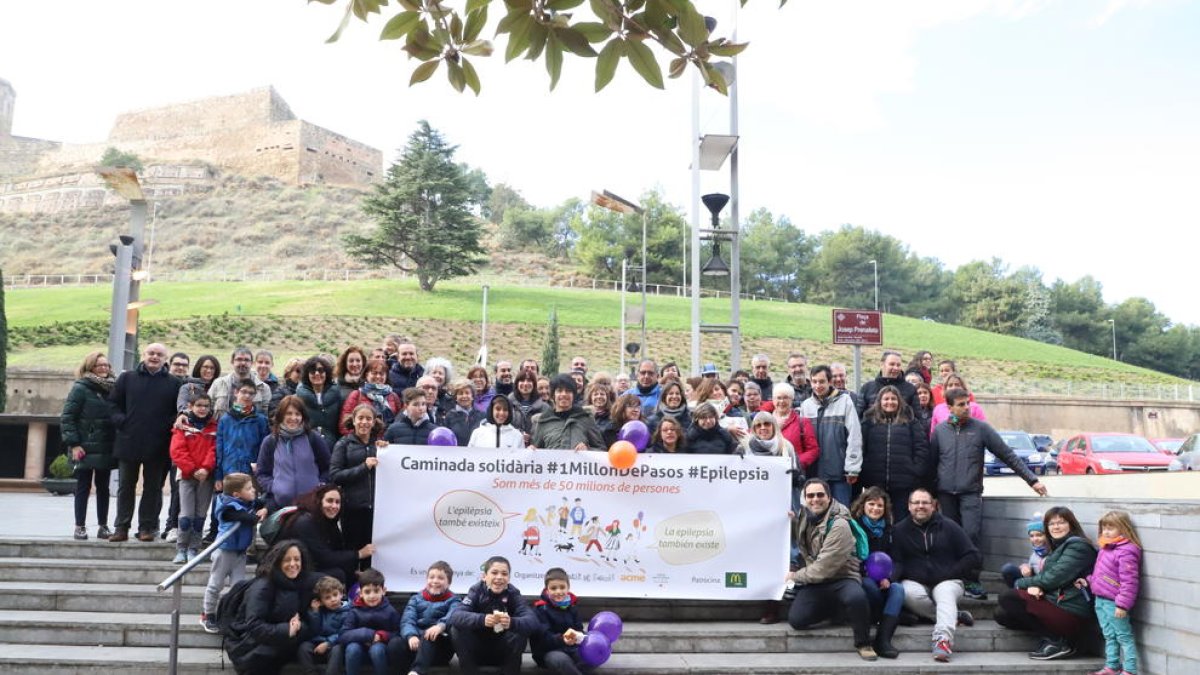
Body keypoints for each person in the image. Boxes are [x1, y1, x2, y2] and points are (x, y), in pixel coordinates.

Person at [931, 388, 1047, 598]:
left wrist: (1032, 479)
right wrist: (930, 494)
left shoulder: (981, 428)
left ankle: (972, 580)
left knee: (971, 535)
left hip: (970, 493)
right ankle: (952, 580)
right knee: (947, 537)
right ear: (949, 407)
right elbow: (930, 464)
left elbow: (1007, 454)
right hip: (945, 494)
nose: (967, 408)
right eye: (961, 404)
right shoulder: (940, 431)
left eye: (968, 403)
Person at [787, 478, 877, 661]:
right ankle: (837, 609)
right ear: (805, 498)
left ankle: (864, 642)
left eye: (820, 495)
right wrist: (792, 522)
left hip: (843, 578)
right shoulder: (805, 515)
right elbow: (806, 536)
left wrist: (795, 576)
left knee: (856, 597)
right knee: (797, 620)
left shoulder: (840, 524)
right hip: (818, 581)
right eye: (810, 495)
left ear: (829, 498)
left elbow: (823, 568)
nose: (815, 499)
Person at [995, 507, 1098, 661]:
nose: (1056, 527)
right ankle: (1054, 636)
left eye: (1061, 522)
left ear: (1071, 524)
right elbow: (1047, 577)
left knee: (1008, 596)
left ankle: (1059, 642)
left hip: (1071, 609)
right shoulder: (1058, 546)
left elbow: (1053, 578)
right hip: (1055, 601)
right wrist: (1035, 586)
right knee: (1002, 615)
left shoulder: (1078, 546)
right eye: (1051, 524)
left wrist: (1020, 583)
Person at [891, 488, 980, 663]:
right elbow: (898, 561)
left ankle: (943, 640)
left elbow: (973, 555)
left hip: (948, 580)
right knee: (906, 592)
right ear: (909, 506)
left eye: (925, 502)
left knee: (945, 593)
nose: (920, 506)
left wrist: (951, 572)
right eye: (916, 502)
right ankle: (954, 615)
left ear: (933, 505)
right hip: (916, 581)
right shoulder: (899, 530)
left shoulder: (949, 526)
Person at [109, 342, 180, 542]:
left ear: (165, 359)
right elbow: (113, 404)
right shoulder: (127, 378)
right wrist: (121, 422)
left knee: (152, 488)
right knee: (125, 486)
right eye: (151, 353)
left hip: (158, 444)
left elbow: (178, 411)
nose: (154, 357)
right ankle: (121, 527)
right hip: (128, 440)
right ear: (144, 355)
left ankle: (146, 527)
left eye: (159, 354)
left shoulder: (174, 383)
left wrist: (167, 425)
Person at [224, 539, 322, 675]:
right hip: (250, 648)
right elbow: (254, 626)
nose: (293, 564)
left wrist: (301, 625)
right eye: (287, 560)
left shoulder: (294, 584)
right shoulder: (263, 586)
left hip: (277, 643)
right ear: (277, 562)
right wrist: (287, 630)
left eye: (297, 559)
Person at [448, 555, 537, 675]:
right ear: (484, 576)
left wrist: (512, 622)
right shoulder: (476, 591)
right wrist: (482, 620)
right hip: (477, 651)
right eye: (494, 573)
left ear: (509, 578)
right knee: (455, 629)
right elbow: (456, 616)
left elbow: (532, 621)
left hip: (502, 652)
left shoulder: (513, 593)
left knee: (521, 629)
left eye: (504, 574)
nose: (499, 577)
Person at [61, 351, 117, 540]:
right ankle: (80, 526)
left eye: (106, 365)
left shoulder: (113, 388)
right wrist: (74, 444)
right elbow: (68, 417)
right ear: (90, 367)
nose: (104, 368)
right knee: (83, 486)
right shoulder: (80, 388)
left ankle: (103, 526)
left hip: (106, 445)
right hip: (84, 447)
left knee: (103, 487)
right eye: (99, 365)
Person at [201, 473, 267, 633]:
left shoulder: (247, 502)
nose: (253, 491)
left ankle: (234, 613)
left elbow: (262, 503)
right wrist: (255, 516)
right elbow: (241, 517)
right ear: (237, 494)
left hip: (239, 552)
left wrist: (264, 508)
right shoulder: (227, 505)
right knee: (216, 584)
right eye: (249, 488)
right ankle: (207, 614)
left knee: (238, 586)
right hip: (224, 551)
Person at [1081, 510, 1142, 675]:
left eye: (1111, 528)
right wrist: (1089, 580)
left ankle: (1129, 670)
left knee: (1124, 636)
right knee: (1109, 635)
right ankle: (1112, 666)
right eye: (1104, 528)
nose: (1106, 531)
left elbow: (1129, 581)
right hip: (1100, 599)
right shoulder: (1106, 548)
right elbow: (1103, 574)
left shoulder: (1126, 551)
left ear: (1123, 528)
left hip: (1114, 602)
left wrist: (1122, 604)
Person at [850, 487, 905, 659]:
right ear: (863, 505)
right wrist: (870, 574)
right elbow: (850, 557)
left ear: (885, 508)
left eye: (879, 505)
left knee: (898, 589)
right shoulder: (854, 527)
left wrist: (888, 578)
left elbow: (899, 561)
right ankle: (889, 614)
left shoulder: (891, 530)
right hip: (863, 579)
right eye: (871, 504)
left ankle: (882, 640)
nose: (875, 508)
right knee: (867, 585)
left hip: (885, 582)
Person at [798, 365, 863, 507]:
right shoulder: (806, 406)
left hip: (839, 472)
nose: (817, 385)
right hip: (814, 473)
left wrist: (852, 467)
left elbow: (854, 435)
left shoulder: (845, 401)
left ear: (829, 382)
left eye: (821, 381)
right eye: (814, 381)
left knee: (840, 514)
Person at [330, 404, 388, 561]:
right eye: (360, 418)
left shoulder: (379, 445)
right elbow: (335, 475)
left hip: (376, 510)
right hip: (352, 509)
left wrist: (387, 451)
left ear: (374, 422)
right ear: (353, 421)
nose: (364, 422)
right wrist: (364, 467)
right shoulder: (343, 444)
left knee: (373, 553)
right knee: (354, 551)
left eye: (368, 418)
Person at [284, 485, 374, 585]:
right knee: (337, 574)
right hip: (295, 572)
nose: (334, 506)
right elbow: (324, 558)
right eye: (330, 501)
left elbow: (336, 551)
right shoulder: (305, 522)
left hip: (312, 567)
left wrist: (353, 572)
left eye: (337, 502)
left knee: (348, 569)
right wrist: (359, 554)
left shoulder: (327, 521)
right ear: (319, 501)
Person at [859, 385, 929, 511]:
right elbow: (861, 448)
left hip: (903, 483)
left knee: (900, 521)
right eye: (886, 399)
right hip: (875, 482)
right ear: (879, 401)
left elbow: (921, 448)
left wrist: (915, 471)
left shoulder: (911, 422)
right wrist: (865, 471)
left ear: (899, 401)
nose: (890, 402)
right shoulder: (868, 423)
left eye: (893, 399)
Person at [256, 395, 331, 512]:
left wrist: (320, 485)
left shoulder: (313, 438)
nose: (293, 418)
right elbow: (262, 473)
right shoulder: (270, 441)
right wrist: (275, 487)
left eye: (297, 414)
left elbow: (327, 467)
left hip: (311, 506)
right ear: (281, 415)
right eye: (289, 414)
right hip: (281, 506)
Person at [169, 393, 217, 563]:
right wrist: (193, 469)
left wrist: (205, 468)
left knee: (200, 515)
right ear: (190, 407)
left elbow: (214, 450)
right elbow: (177, 451)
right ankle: (181, 548)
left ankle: (194, 548)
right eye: (199, 405)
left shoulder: (214, 427)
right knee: (186, 515)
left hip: (206, 477)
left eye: (206, 405)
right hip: (187, 476)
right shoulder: (182, 426)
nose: (202, 409)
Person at [393, 560, 461, 675]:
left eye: (440, 578)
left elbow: (453, 616)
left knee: (429, 635)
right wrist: (411, 636)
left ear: (448, 582)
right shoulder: (416, 598)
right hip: (416, 643)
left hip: (440, 646)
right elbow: (407, 620)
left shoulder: (455, 600)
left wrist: (440, 626)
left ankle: (417, 671)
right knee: (394, 644)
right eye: (431, 577)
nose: (435, 581)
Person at [340, 567, 403, 675]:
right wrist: (369, 634)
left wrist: (382, 635)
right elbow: (343, 635)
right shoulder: (354, 610)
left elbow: (397, 633)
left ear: (383, 591)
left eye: (376, 591)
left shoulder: (390, 611)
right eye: (367, 592)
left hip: (380, 647)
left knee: (376, 650)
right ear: (360, 593)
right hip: (358, 645)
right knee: (352, 649)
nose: (372, 596)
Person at [531, 567, 590, 675]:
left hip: (571, 648)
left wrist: (579, 636)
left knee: (591, 655)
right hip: (549, 652)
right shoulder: (540, 609)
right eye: (553, 588)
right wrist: (562, 639)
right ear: (547, 590)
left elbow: (579, 629)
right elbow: (542, 639)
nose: (558, 591)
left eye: (562, 587)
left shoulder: (572, 607)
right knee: (561, 660)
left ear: (568, 588)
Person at [529, 375, 604, 451]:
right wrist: (531, 450)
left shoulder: (586, 418)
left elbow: (601, 449)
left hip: (578, 462)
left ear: (573, 395)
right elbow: (536, 450)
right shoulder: (543, 421)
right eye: (559, 391)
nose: (564, 394)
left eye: (568, 391)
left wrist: (587, 449)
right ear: (553, 395)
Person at [298, 576, 351, 675]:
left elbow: (344, 633)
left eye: (335, 595)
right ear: (321, 601)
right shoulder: (320, 611)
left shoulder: (348, 611)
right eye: (327, 597)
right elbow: (314, 631)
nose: (333, 599)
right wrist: (315, 612)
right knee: (303, 647)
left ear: (341, 594)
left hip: (335, 643)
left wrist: (328, 643)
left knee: (337, 650)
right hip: (318, 641)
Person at [764, 387, 820, 476]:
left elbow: (813, 450)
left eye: (786, 397)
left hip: (793, 474)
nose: (782, 401)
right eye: (778, 398)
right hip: (767, 473)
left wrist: (795, 463)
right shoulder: (763, 422)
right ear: (773, 400)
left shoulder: (802, 422)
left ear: (791, 400)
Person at [296, 356, 344, 450]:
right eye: (312, 371)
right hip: (306, 446)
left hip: (333, 447)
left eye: (321, 370)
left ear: (327, 373)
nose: (317, 373)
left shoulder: (337, 396)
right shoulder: (298, 398)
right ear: (307, 374)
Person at [209, 347, 272, 419]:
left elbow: (266, 416)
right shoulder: (218, 384)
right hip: (221, 428)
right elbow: (208, 409)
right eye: (239, 359)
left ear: (252, 363)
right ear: (232, 362)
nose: (243, 363)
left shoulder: (263, 388)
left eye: (247, 360)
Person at [339, 361, 400, 433]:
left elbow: (398, 423)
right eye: (374, 373)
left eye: (381, 374)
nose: (378, 376)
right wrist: (360, 438)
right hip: (362, 441)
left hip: (386, 442)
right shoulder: (356, 395)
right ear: (367, 375)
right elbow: (344, 424)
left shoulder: (393, 396)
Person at [857, 351, 919, 417]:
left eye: (898, 365)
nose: (896, 368)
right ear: (882, 365)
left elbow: (917, 415)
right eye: (892, 364)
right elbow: (858, 415)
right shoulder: (867, 388)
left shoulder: (910, 388)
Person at [1000, 518, 1049, 588]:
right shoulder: (1034, 554)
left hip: (1043, 585)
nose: (1035, 539)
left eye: (1039, 535)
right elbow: (1031, 567)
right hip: (1032, 581)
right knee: (1008, 569)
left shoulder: (1053, 551)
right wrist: (1025, 567)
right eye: (1032, 536)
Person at [445, 379, 486, 446]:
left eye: (467, 393)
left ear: (472, 396)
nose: (464, 396)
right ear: (456, 397)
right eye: (461, 393)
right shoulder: (449, 416)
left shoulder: (482, 416)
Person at [509, 370, 548, 435]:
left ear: (534, 384)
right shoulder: (507, 404)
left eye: (529, 381)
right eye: (522, 380)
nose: (525, 384)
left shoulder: (544, 407)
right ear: (517, 384)